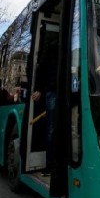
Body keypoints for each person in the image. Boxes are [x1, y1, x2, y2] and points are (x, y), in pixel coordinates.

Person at [31, 39, 58, 176]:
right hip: (52, 92)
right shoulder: (52, 46)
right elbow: (41, 68)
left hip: (65, 92)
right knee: (52, 129)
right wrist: (39, 89)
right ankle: (49, 165)